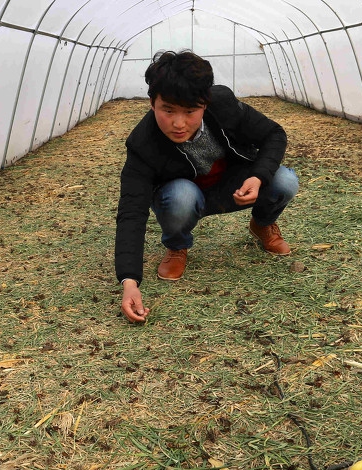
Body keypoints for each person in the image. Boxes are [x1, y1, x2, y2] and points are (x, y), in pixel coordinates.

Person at [114, 50, 299, 324]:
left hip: (234, 185)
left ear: (205, 103)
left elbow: (274, 134)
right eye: (168, 110)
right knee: (180, 197)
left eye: (190, 111)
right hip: (185, 196)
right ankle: (177, 245)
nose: (178, 124)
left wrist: (258, 177)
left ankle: (262, 224)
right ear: (152, 103)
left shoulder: (223, 104)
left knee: (284, 180)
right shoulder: (142, 143)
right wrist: (130, 282)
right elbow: (132, 210)